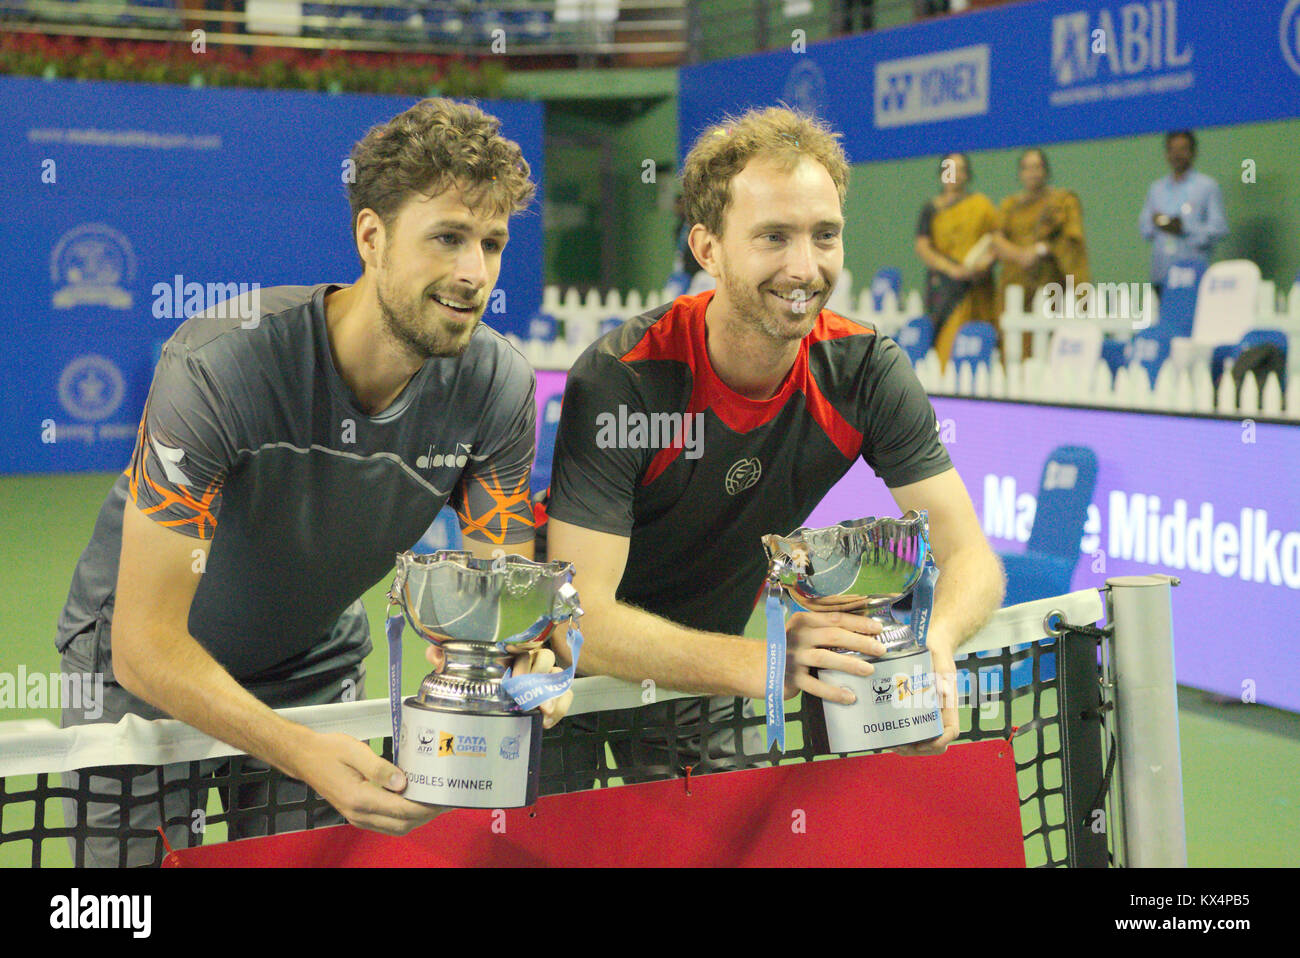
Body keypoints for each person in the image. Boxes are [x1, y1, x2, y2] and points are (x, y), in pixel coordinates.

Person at [53, 98, 570, 867]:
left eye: (492, 243)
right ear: (372, 237)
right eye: (449, 238)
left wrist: (532, 657)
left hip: (311, 669)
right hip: (139, 677)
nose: (475, 272)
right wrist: (300, 750)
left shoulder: (497, 388)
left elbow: (505, 592)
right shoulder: (220, 365)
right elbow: (143, 644)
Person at [543, 107, 1005, 784]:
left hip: (703, 678)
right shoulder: (626, 377)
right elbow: (584, 620)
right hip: (563, 682)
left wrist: (931, 648)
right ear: (707, 249)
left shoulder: (865, 370)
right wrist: (766, 662)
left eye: (825, 235)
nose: (804, 267)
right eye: (773, 237)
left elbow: (972, 557)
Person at [992, 148, 1089, 354]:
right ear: (1020, 173)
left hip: (1050, 289)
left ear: (1046, 171)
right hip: (1015, 288)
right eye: (1027, 168)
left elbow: (1071, 241)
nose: (1032, 172)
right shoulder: (1009, 205)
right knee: (1013, 350)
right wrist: (1022, 255)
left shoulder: (1061, 202)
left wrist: (1041, 249)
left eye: (1037, 167)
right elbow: (997, 240)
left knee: (1048, 349)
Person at [913, 152, 1000, 368]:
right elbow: (923, 247)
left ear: (968, 174)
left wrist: (982, 265)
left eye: (960, 169)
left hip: (977, 286)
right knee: (945, 345)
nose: (955, 174)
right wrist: (953, 270)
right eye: (949, 169)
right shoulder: (931, 208)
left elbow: (995, 241)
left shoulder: (981, 205)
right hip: (945, 287)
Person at [1139, 130, 1227, 300]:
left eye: (1182, 149)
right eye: (1172, 150)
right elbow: (1145, 228)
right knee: (1163, 324)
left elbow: (1219, 228)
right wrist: (1159, 222)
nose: (1177, 155)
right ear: (1166, 154)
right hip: (1162, 276)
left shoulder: (1207, 186)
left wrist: (1184, 228)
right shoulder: (1156, 189)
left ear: (1193, 152)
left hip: (1193, 277)